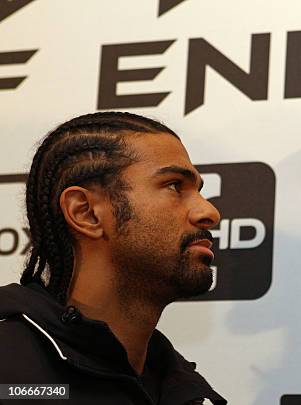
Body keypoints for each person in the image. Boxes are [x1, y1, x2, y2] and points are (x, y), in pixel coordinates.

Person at [0, 112, 227, 404]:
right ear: (86, 213)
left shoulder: (180, 388)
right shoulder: (9, 371)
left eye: (197, 190)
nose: (209, 212)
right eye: (174, 186)